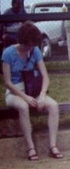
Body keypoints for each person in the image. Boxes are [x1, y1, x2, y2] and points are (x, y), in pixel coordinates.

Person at [2, 21, 62, 161]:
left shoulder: (35, 51)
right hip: (15, 92)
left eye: (33, 45)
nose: (30, 48)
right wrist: (25, 97)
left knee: (54, 105)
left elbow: (45, 76)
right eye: (28, 45)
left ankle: (53, 146)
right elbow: (7, 82)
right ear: (22, 41)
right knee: (23, 107)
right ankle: (31, 148)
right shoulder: (8, 53)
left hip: (32, 89)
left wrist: (42, 94)